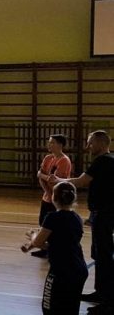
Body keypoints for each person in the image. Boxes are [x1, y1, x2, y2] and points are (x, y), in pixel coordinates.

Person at [51, 130, 114, 314]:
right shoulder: (110, 159)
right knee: (100, 254)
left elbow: (80, 181)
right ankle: (101, 292)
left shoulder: (102, 161)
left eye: (90, 143)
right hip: (103, 214)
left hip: (104, 214)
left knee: (104, 256)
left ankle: (108, 301)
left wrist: (59, 180)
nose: (87, 147)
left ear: (101, 143)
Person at [21, 182, 87, 315]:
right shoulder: (77, 218)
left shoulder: (52, 218)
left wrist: (32, 235)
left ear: (53, 198)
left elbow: (38, 242)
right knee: (70, 308)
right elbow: (61, 245)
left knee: (49, 308)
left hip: (61, 271)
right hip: (79, 270)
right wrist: (30, 247)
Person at [31, 134, 72, 259]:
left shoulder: (64, 160)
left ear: (60, 145)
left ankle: (54, 250)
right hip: (47, 197)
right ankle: (44, 249)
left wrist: (42, 176)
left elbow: (54, 180)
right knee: (43, 222)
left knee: (55, 227)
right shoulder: (48, 158)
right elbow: (41, 177)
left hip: (58, 199)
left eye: (52, 142)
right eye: (49, 142)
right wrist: (48, 193)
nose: (49, 144)